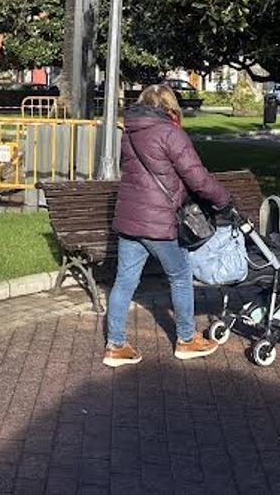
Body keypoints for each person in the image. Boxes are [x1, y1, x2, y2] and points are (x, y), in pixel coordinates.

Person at [103, 84, 232, 366]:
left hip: (130, 219)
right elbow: (197, 177)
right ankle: (186, 339)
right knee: (180, 277)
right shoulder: (171, 133)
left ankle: (115, 345)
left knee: (124, 281)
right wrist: (224, 200)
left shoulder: (130, 132)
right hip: (161, 222)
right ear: (170, 107)